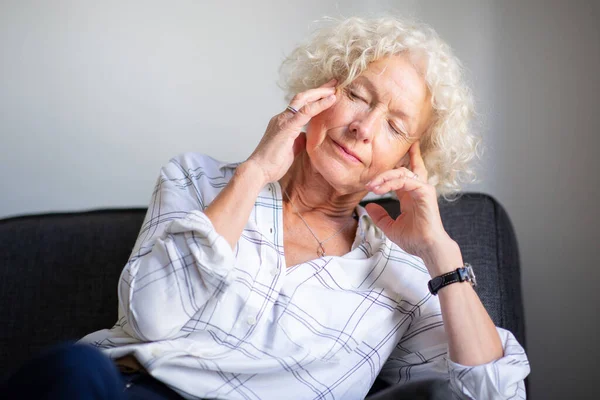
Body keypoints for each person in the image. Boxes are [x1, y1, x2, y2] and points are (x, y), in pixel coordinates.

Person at [2, 16, 530, 399]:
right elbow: (150, 318)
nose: (363, 128)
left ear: (412, 159)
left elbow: (495, 393)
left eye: (395, 126)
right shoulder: (197, 179)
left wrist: (441, 253)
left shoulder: (402, 279)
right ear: (320, 92)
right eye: (360, 96)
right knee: (73, 370)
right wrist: (255, 171)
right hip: (118, 386)